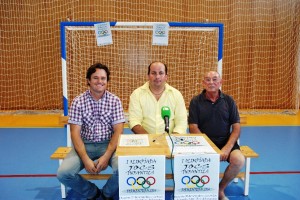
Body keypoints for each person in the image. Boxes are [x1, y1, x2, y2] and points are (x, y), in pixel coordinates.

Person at [57, 63, 125, 200]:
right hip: (84, 145)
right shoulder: (78, 102)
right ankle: (92, 192)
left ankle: (106, 193)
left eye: (103, 78)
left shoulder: (115, 101)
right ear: (88, 80)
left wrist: (106, 156)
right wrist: (85, 159)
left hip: (109, 145)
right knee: (63, 174)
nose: (99, 81)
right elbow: (75, 133)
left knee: (124, 169)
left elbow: (118, 132)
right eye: (95, 78)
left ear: (107, 81)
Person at [188, 71, 245, 200]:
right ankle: (199, 189)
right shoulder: (195, 102)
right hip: (203, 143)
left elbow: (236, 127)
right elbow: (193, 127)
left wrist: (227, 148)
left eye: (214, 79)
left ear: (220, 82)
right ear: (203, 83)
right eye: (207, 80)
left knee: (239, 160)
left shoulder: (229, 101)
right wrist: (210, 147)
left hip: (226, 142)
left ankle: (220, 189)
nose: (211, 82)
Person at [129, 61, 187, 135]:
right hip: (145, 141)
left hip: (170, 141)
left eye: (161, 73)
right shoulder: (137, 94)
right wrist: (151, 140)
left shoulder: (176, 95)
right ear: (148, 76)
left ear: (166, 76)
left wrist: (170, 140)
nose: (157, 77)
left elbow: (181, 123)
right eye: (153, 73)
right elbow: (134, 121)